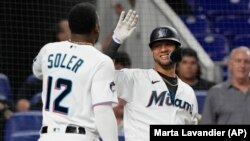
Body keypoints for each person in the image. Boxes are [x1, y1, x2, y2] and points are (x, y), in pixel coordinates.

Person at [32, 3, 138, 141]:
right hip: (80, 136)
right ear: (97, 28)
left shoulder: (48, 50)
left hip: (47, 136)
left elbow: (37, 72)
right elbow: (102, 111)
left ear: (71, 27)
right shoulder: (100, 61)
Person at [105, 18, 199, 141]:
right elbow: (103, 73)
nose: (163, 49)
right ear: (152, 52)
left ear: (178, 49)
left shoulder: (188, 92)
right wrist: (115, 41)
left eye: (168, 44)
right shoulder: (135, 79)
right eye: (157, 46)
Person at [200, 46, 250, 124]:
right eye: (238, 61)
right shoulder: (215, 92)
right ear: (230, 65)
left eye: (246, 62)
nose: (242, 65)